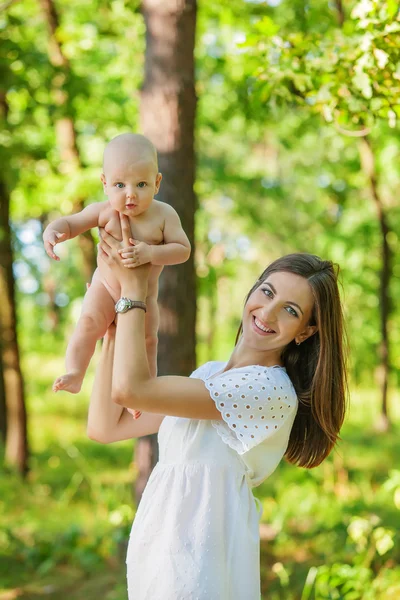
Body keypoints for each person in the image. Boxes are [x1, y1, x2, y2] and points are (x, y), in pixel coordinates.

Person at [87, 213, 348, 600]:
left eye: (291, 311)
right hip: (158, 552)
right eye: (267, 292)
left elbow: (131, 390)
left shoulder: (269, 390)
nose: (269, 312)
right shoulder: (208, 375)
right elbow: (106, 426)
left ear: (306, 332)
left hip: (199, 563)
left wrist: (133, 291)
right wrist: (113, 326)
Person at [43, 133, 191, 397]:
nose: (130, 194)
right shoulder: (103, 211)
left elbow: (183, 251)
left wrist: (150, 252)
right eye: (120, 185)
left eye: (141, 184)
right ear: (104, 183)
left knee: (148, 341)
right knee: (88, 323)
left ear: (157, 183)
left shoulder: (164, 215)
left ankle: (143, 394)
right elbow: (71, 223)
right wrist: (54, 231)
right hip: (105, 288)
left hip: (144, 297)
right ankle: (75, 373)